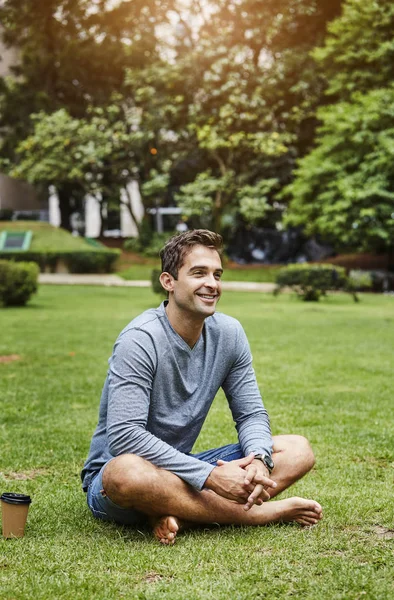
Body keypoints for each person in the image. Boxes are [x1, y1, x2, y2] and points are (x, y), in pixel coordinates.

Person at [81, 229, 322, 545]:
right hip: (118, 478)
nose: (212, 284)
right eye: (199, 273)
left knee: (297, 450)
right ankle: (264, 514)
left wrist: (259, 460)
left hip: (179, 471)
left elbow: (251, 415)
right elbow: (126, 436)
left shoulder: (229, 334)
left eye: (217, 274)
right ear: (169, 282)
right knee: (125, 473)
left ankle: (174, 511)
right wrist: (210, 477)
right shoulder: (139, 339)